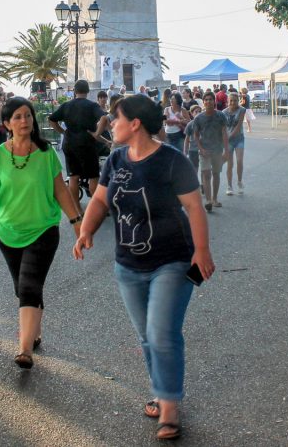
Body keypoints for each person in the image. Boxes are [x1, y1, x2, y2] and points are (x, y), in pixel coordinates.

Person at [73, 95, 215, 442]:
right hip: (128, 265)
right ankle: (162, 388)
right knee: (147, 336)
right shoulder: (117, 159)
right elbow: (101, 199)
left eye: (115, 118)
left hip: (173, 259)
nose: (110, 123)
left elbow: (195, 207)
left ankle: (169, 407)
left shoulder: (171, 160)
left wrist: (201, 251)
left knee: (162, 334)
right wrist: (85, 231)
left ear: (134, 123)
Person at [0, 97, 83, 369]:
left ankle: (24, 348)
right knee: (24, 289)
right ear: (6, 123)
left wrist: (77, 221)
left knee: (29, 284)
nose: (24, 121)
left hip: (43, 229)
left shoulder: (45, 154)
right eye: (17, 117)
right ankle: (34, 331)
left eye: (28, 115)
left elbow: (60, 190)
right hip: (7, 232)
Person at [49, 80, 106, 201]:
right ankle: (94, 207)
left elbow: (52, 119)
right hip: (87, 143)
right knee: (93, 176)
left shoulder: (66, 105)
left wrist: (62, 132)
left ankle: (76, 208)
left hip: (69, 143)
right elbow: (104, 117)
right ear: (88, 91)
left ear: (74, 91)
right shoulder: (92, 105)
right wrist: (97, 133)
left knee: (73, 177)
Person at [190, 93, 228, 212]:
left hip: (217, 149)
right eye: (206, 100)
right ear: (204, 102)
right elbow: (196, 135)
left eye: (210, 99)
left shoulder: (221, 116)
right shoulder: (198, 118)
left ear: (214, 101)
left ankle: (215, 198)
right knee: (206, 174)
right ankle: (208, 200)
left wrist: (226, 151)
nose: (208, 101)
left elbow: (224, 133)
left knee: (216, 174)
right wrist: (201, 149)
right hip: (204, 150)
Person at [222, 92, 248, 194]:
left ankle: (239, 181)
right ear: (228, 101)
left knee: (239, 160)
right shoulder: (224, 112)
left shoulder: (242, 110)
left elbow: (238, 126)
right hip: (228, 140)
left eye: (235, 101)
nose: (233, 103)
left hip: (239, 138)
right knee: (230, 164)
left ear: (238, 101)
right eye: (231, 100)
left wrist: (229, 136)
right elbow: (223, 128)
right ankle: (229, 186)